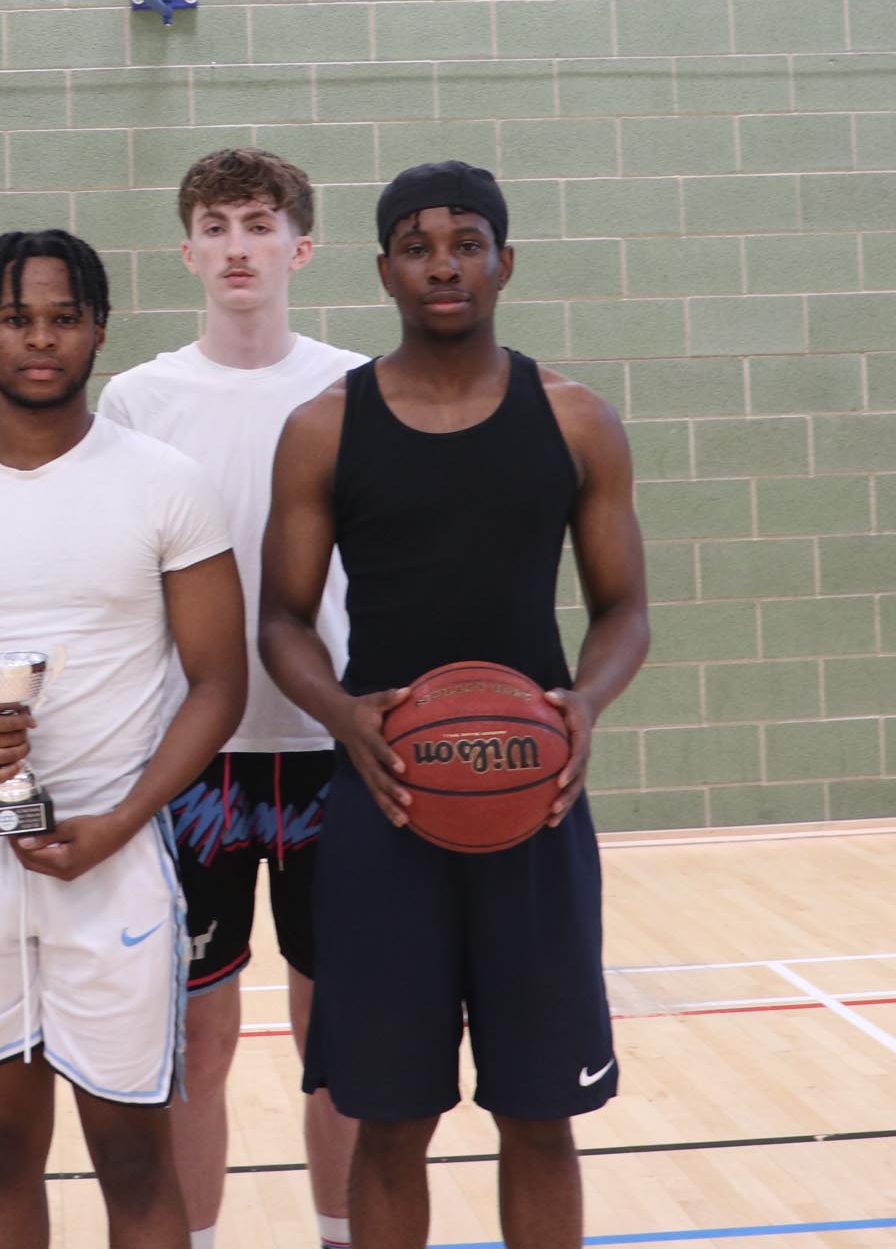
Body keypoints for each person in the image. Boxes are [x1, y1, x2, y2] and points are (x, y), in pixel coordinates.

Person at [259, 162, 650, 1249]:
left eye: (466, 241)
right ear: (383, 267)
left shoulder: (575, 418)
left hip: (535, 808)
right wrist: (345, 715)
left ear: (503, 262)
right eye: (418, 243)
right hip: (384, 813)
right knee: (389, 1121)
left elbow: (624, 610)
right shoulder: (323, 426)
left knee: (540, 1115)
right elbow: (280, 622)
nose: (443, 261)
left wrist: (584, 701)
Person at [0, 228, 247, 1249]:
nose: (40, 339)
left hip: (112, 858)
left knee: (131, 1153)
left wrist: (123, 821)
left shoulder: (165, 482)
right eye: (16, 317)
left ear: (99, 331)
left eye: (63, 318)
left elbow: (219, 684)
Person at [99, 148, 364, 1249]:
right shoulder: (137, 398)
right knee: (196, 1045)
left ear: (300, 246)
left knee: (338, 1040)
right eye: (216, 226)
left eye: (260, 224)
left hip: (332, 747)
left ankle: (343, 1231)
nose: (238, 245)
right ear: (187, 251)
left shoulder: (359, 385)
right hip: (191, 757)